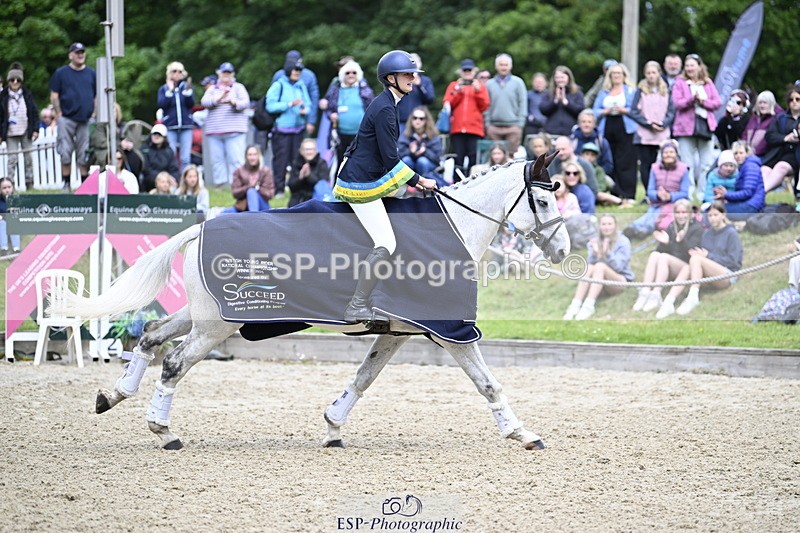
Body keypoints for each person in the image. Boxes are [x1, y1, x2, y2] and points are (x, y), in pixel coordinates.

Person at [331, 50, 437, 322]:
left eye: (413, 74)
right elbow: (391, 158)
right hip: (360, 184)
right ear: (391, 78)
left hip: (366, 176)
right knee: (386, 243)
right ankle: (356, 305)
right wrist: (419, 180)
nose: (414, 79)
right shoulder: (385, 109)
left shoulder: (389, 104)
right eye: (407, 75)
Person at [656, 202, 742, 317]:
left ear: (723, 215)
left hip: (727, 274)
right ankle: (669, 302)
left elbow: (734, 262)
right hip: (708, 276)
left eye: (715, 215)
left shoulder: (731, 233)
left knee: (696, 259)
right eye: (710, 216)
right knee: (688, 266)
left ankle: (692, 297)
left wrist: (708, 256)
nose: (712, 218)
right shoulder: (707, 234)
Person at [632, 198, 703, 315]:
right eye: (678, 213)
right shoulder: (672, 226)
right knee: (655, 255)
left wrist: (681, 240)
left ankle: (656, 293)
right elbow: (663, 250)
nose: (681, 216)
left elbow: (690, 253)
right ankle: (645, 291)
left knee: (664, 257)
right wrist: (664, 243)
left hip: (686, 267)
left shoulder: (697, 228)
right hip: (670, 263)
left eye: (684, 212)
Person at [563, 214, 633, 320]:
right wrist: (595, 252)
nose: (606, 227)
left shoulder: (623, 241)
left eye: (609, 224)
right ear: (599, 226)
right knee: (591, 267)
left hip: (619, 281)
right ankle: (575, 304)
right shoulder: (595, 241)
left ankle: (589, 305)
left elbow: (619, 267)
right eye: (604, 224)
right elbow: (590, 264)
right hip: (600, 282)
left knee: (600, 266)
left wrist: (607, 253)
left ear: (615, 225)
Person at [671, 53, 722, 201]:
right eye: (687, 66)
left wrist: (703, 102)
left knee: (706, 164)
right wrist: (691, 100)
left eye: (692, 65)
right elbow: (677, 103)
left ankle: (702, 195)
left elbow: (717, 103)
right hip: (685, 128)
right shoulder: (679, 82)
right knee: (687, 164)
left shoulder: (707, 83)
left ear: (699, 66)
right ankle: (688, 194)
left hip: (705, 127)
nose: (689, 68)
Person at [50, 42, 96, 188]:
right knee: (65, 152)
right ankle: (66, 184)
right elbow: (54, 94)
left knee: (84, 154)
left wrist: (94, 112)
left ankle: (85, 186)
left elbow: (96, 95)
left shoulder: (91, 73)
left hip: (86, 119)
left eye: (82, 52)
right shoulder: (61, 73)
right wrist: (59, 113)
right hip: (67, 118)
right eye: (77, 52)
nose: (80, 55)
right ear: (70, 55)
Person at [624, 140, 689, 238]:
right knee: (650, 214)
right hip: (657, 202)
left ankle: (645, 230)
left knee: (657, 214)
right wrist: (658, 195)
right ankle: (633, 228)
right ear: (662, 155)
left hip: (674, 202)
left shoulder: (684, 169)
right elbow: (650, 191)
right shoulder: (654, 168)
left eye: (671, 152)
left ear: (676, 154)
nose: (668, 155)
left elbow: (685, 193)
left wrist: (670, 196)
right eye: (666, 152)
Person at [592, 63, 638, 203]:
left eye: (619, 73)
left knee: (626, 161)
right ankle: (615, 194)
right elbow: (595, 110)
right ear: (609, 76)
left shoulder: (630, 91)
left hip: (626, 128)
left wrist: (624, 110)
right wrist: (604, 111)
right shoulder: (603, 92)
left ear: (624, 75)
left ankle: (628, 194)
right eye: (614, 73)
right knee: (611, 161)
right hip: (607, 126)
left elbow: (636, 110)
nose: (616, 76)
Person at [200, 62, 250, 188]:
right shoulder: (212, 89)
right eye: (224, 72)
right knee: (217, 160)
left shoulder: (238, 87)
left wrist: (233, 102)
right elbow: (204, 102)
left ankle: (236, 185)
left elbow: (246, 103)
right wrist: (218, 99)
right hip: (214, 131)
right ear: (219, 73)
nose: (226, 75)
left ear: (232, 74)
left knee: (236, 160)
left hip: (235, 130)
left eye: (228, 73)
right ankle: (219, 185)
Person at [267, 56, 311, 196]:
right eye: (295, 69)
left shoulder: (301, 85)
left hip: (298, 129)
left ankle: (295, 189)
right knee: (281, 161)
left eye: (299, 70)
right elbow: (270, 106)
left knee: (297, 160)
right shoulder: (278, 85)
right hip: (282, 130)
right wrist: (289, 104)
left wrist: (306, 110)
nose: (298, 72)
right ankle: (279, 189)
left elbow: (308, 103)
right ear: (288, 70)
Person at [629, 60, 675, 191]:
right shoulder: (640, 91)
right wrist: (648, 124)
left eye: (653, 72)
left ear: (659, 73)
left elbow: (671, 111)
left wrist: (663, 123)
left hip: (662, 133)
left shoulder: (666, 90)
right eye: (648, 73)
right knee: (645, 164)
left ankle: (662, 190)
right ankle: (648, 192)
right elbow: (633, 111)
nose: (651, 75)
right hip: (644, 134)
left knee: (662, 163)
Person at [323, 59, 375, 168]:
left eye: (354, 72)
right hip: (340, 135)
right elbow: (328, 108)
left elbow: (373, 109)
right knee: (341, 164)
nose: (351, 75)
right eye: (348, 73)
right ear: (342, 74)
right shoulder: (336, 89)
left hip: (361, 134)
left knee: (360, 163)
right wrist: (331, 115)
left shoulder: (365, 90)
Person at [442, 58, 490, 176]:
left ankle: (472, 183)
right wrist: (458, 90)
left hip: (475, 129)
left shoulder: (480, 86)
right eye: (465, 70)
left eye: (470, 70)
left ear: (474, 71)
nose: (467, 72)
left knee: (473, 159)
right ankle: (456, 183)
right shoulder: (454, 85)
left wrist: (478, 91)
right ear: (461, 71)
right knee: (458, 158)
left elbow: (485, 106)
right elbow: (448, 104)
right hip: (457, 128)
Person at [0, 62, 39, 189]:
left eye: (18, 80)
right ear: (8, 81)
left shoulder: (27, 94)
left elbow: (34, 112)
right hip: (10, 132)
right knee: (12, 159)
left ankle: (30, 183)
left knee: (29, 158)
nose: (15, 82)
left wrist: (35, 129)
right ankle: (10, 185)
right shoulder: (3, 96)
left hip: (25, 131)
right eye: (12, 80)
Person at [484, 53, 527, 155]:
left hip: (513, 126)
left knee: (511, 158)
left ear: (510, 66)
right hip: (494, 127)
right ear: (496, 66)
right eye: (501, 64)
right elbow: (486, 105)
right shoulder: (489, 84)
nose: (503, 67)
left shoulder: (518, 82)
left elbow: (523, 103)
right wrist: (487, 124)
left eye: (506, 65)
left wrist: (520, 125)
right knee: (495, 157)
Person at [158, 61, 195, 172]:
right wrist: (170, 91)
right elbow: (162, 105)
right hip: (170, 126)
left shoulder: (186, 87)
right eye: (174, 71)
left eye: (180, 71)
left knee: (185, 157)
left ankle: (186, 182)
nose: (177, 74)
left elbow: (191, 104)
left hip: (186, 125)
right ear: (169, 73)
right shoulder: (163, 89)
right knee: (171, 155)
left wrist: (188, 93)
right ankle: (173, 181)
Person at [762, 86, 800, 194]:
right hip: (778, 152)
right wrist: (785, 138)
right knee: (764, 170)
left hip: (796, 155)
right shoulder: (780, 118)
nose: (794, 102)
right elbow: (769, 136)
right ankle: (758, 200)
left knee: (781, 166)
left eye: (798, 99)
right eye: (791, 99)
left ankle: (760, 194)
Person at [271, 50, 319, 136]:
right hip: (281, 122)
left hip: (301, 121)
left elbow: (313, 100)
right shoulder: (279, 76)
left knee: (302, 147)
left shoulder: (309, 76)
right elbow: (271, 101)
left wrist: (311, 121)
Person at [714, 140, 765, 219]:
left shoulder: (750, 166)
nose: (738, 156)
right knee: (716, 208)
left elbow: (748, 192)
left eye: (741, 153)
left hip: (751, 206)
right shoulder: (745, 166)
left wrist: (726, 195)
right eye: (736, 153)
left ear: (747, 153)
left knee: (714, 211)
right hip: (749, 204)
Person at [398, 106, 444, 186]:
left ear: (426, 120)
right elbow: (399, 155)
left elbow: (437, 158)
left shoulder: (433, 135)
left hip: (427, 165)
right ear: (411, 120)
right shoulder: (406, 134)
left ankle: (426, 188)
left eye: (421, 118)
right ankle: (408, 187)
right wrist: (411, 152)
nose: (417, 121)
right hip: (411, 164)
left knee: (422, 161)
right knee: (406, 160)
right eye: (415, 118)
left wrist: (424, 151)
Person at [540, 65, 585, 137]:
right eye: (557, 77)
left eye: (562, 77)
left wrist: (566, 102)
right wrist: (555, 101)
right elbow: (543, 110)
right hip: (551, 132)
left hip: (571, 132)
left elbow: (580, 110)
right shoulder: (548, 93)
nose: (560, 80)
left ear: (569, 78)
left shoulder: (577, 92)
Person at [570, 108, 614, 177]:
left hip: (597, 175)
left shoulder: (601, 142)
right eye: (583, 122)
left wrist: (596, 172)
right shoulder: (572, 141)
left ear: (594, 124)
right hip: (575, 175)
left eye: (589, 122)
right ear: (579, 124)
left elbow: (608, 165)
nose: (586, 124)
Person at [230, 145, 275, 212]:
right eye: (250, 155)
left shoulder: (265, 171)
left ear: (259, 156)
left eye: (255, 154)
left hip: (262, 205)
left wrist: (257, 188)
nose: (252, 157)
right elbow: (235, 193)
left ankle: (253, 218)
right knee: (224, 213)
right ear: (246, 157)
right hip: (244, 205)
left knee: (251, 192)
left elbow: (270, 194)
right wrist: (248, 187)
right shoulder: (239, 171)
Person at [396, 53, 436, 126]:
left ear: (419, 65)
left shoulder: (426, 81)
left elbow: (430, 99)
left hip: (419, 121)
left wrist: (419, 86)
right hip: (401, 121)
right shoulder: (400, 80)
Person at [288, 138, 329, 207]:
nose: (309, 152)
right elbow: (291, 186)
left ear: (316, 150)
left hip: (316, 198)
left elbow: (322, 186)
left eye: (312, 149)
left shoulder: (322, 163)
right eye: (306, 149)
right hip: (298, 199)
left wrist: (309, 175)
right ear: (301, 151)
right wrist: (300, 177)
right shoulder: (296, 163)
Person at [741, 90, 780, 159]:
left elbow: (767, 141)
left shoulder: (776, 119)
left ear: (771, 104)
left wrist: (752, 153)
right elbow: (745, 135)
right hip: (745, 154)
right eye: (760, 103)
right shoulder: (753, 118)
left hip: (763, 156)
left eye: (765, 103)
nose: (762, 106)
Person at [141, 123, 179, 191]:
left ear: (164, 137)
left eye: (159, 135)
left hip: (167, 182)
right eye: (154, 134)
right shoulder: (144, 149)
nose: (156, 136)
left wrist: (171, 178)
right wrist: (160, 177)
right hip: (149, 181)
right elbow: (146, 169)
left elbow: (174, 169)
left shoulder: (169, 151)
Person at [0, 177, 21, 254]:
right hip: (2, 221)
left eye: (9, 187)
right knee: (2, 223)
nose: (7, 190)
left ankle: (16, 249)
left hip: (13, 221)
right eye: (4, 188)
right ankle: (4, 249)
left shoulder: (17, 199)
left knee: (13, 222)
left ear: (12, 187)